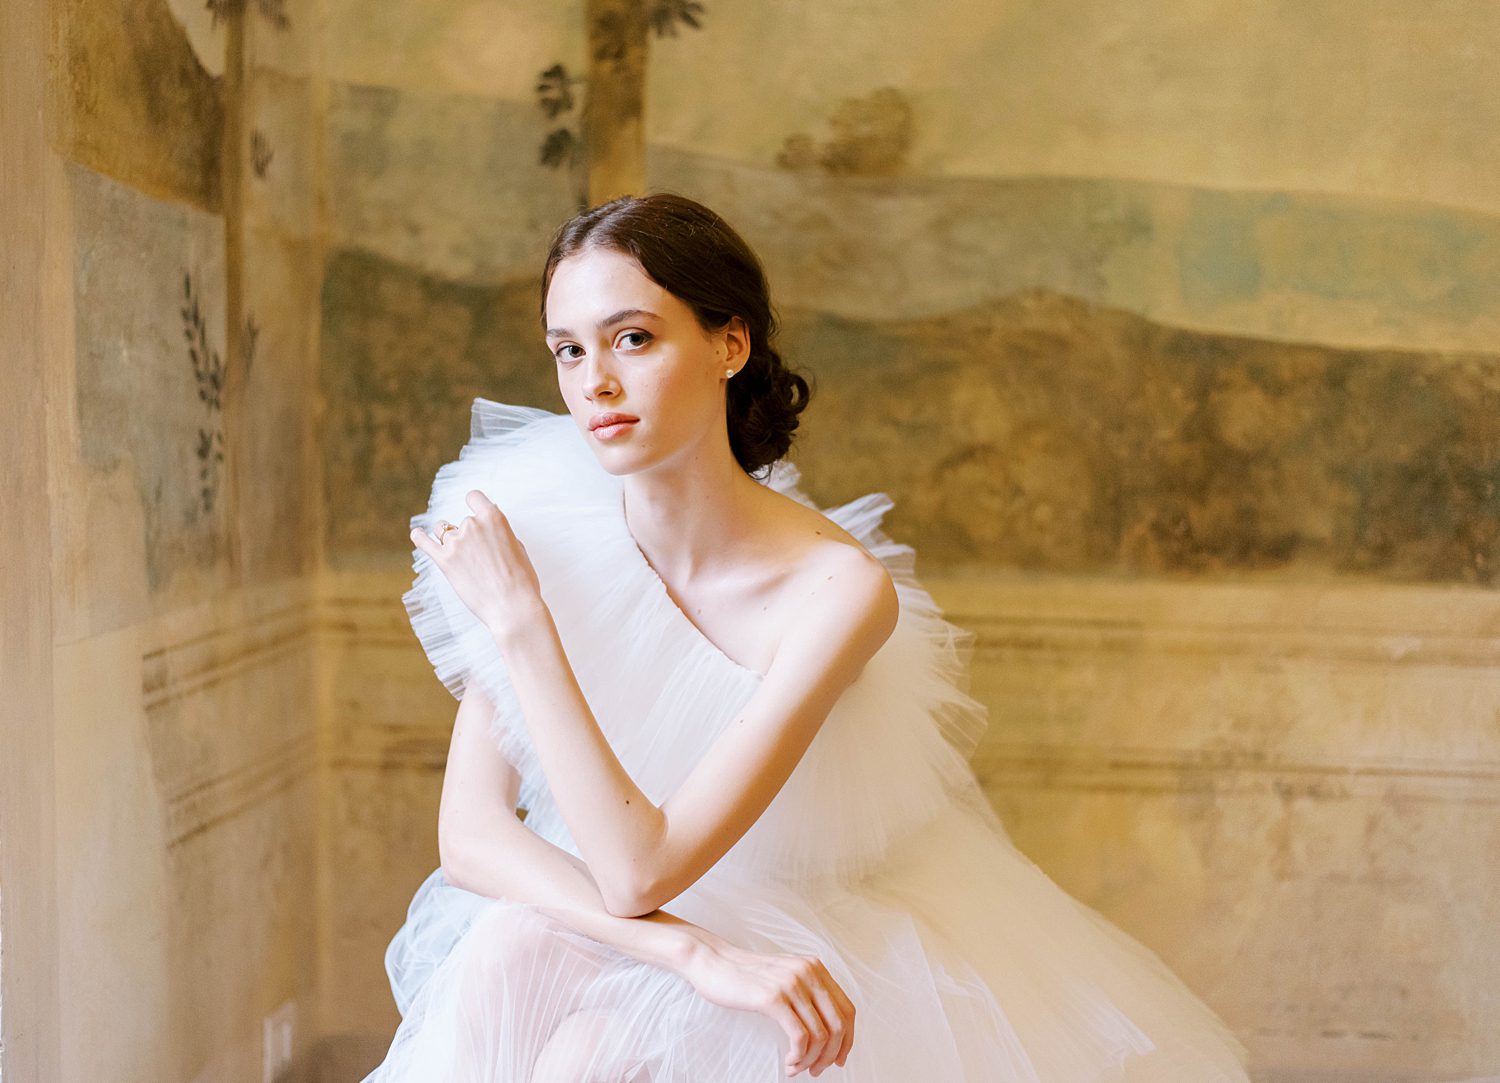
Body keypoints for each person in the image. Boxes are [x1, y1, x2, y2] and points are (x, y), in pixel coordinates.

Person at [361, 193, 1253, 1081]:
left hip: (800, 920)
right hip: (639, 926)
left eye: (633, 338)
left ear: (729, 344)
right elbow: (472, 839)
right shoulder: (539, 512)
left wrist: (524, 626)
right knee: (509, 952)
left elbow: (641, 871)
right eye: (569, 349)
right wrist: (695, 954)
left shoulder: (835, 593)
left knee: (593, 1053)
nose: (594, 381)